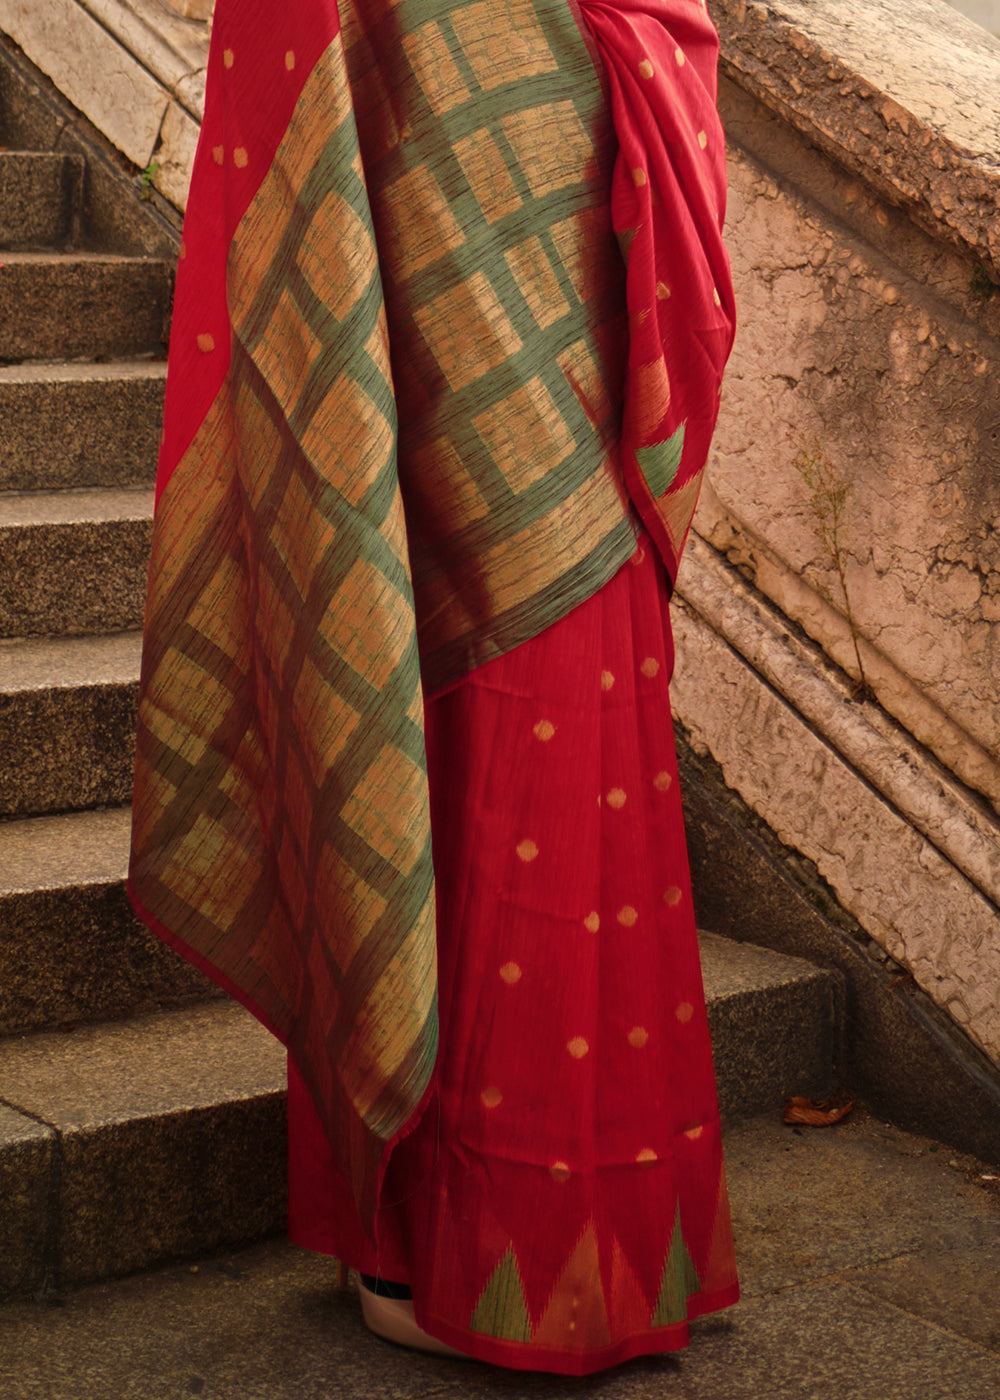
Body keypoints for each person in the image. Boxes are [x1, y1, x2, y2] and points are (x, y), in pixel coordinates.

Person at [129, 0, 739, 1373]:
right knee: (496, 753)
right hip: (496, 374)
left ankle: (479, 1244)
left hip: (517, 367)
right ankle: (500, 1238)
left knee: (507, 755)